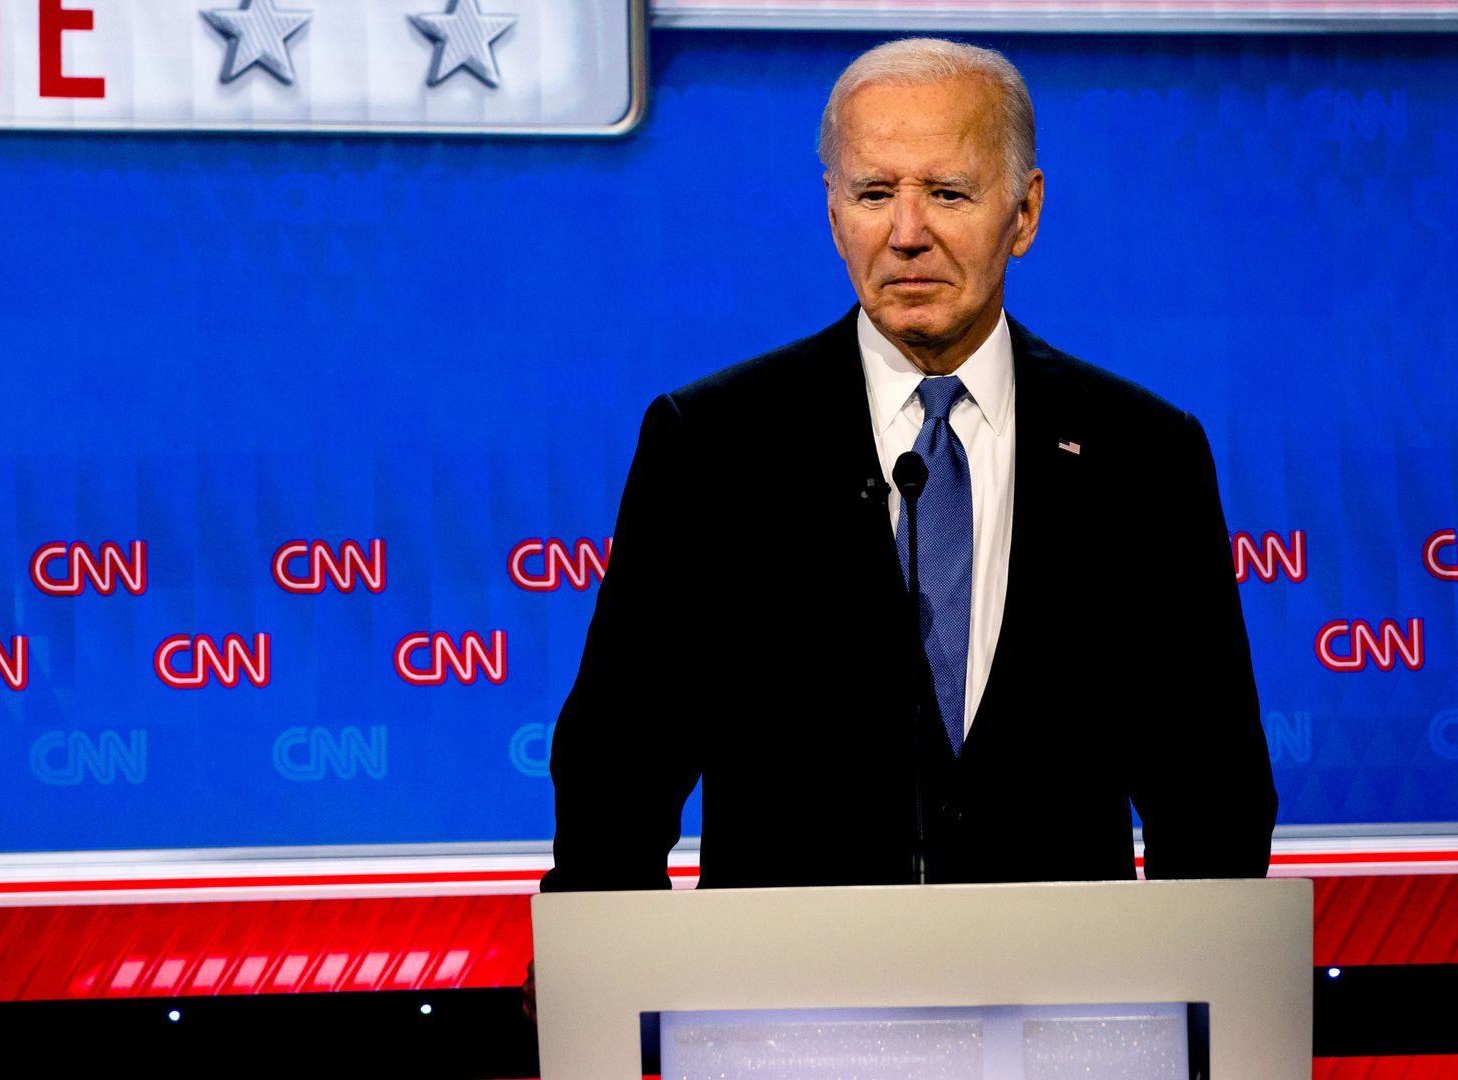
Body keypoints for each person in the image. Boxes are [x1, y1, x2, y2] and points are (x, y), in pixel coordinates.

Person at [538, 38, 1278, 896]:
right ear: (832, 212)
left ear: (1025, 213)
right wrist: (620, 984)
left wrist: (1180, 1000)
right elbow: (615, 777)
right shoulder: (712, 443)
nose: (907, 233)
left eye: (948, 193)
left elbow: (1214, 794)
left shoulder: (1142, 454)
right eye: (874, 193)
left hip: (1065, 1006)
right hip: (788, 1008)